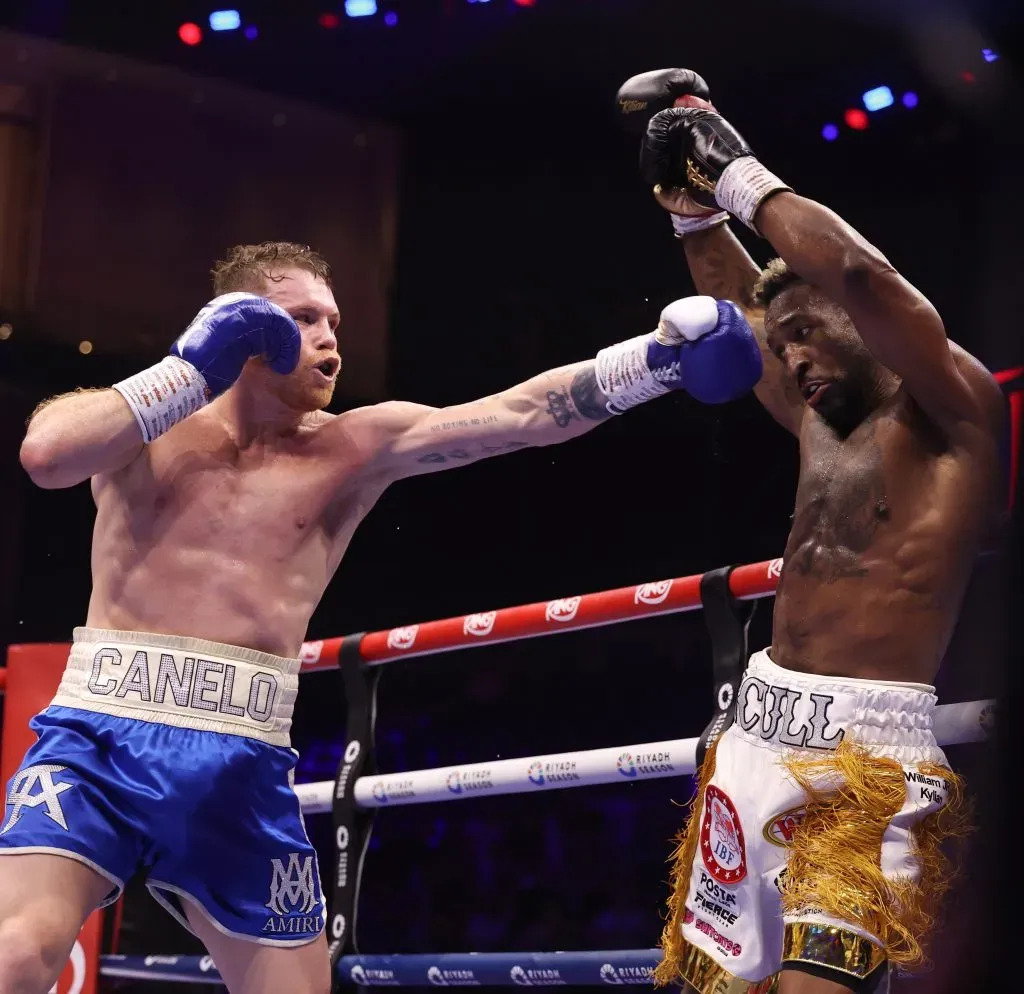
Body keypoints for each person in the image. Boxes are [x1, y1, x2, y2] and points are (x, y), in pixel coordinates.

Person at [1, 240, 761, 994]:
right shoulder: (141, 423)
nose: (329, 338)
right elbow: (46, 454)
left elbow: (518, 415)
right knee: (18, 953)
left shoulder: (349, 448)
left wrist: (652, 363)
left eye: (333, 321)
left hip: (241, 759)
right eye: (303, 319)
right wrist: (192, 368)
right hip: (101, 736)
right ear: (242, 324)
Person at [614, 70, 1005, 994]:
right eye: (780, 343)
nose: (788, 357)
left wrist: (738, 172)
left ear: (860, 323)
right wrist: (692, 214)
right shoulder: (816, 421)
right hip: (756, 733)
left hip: (868, 764)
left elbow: (863, 274)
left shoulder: (955, 411)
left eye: (804, 332)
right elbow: (740, 309)